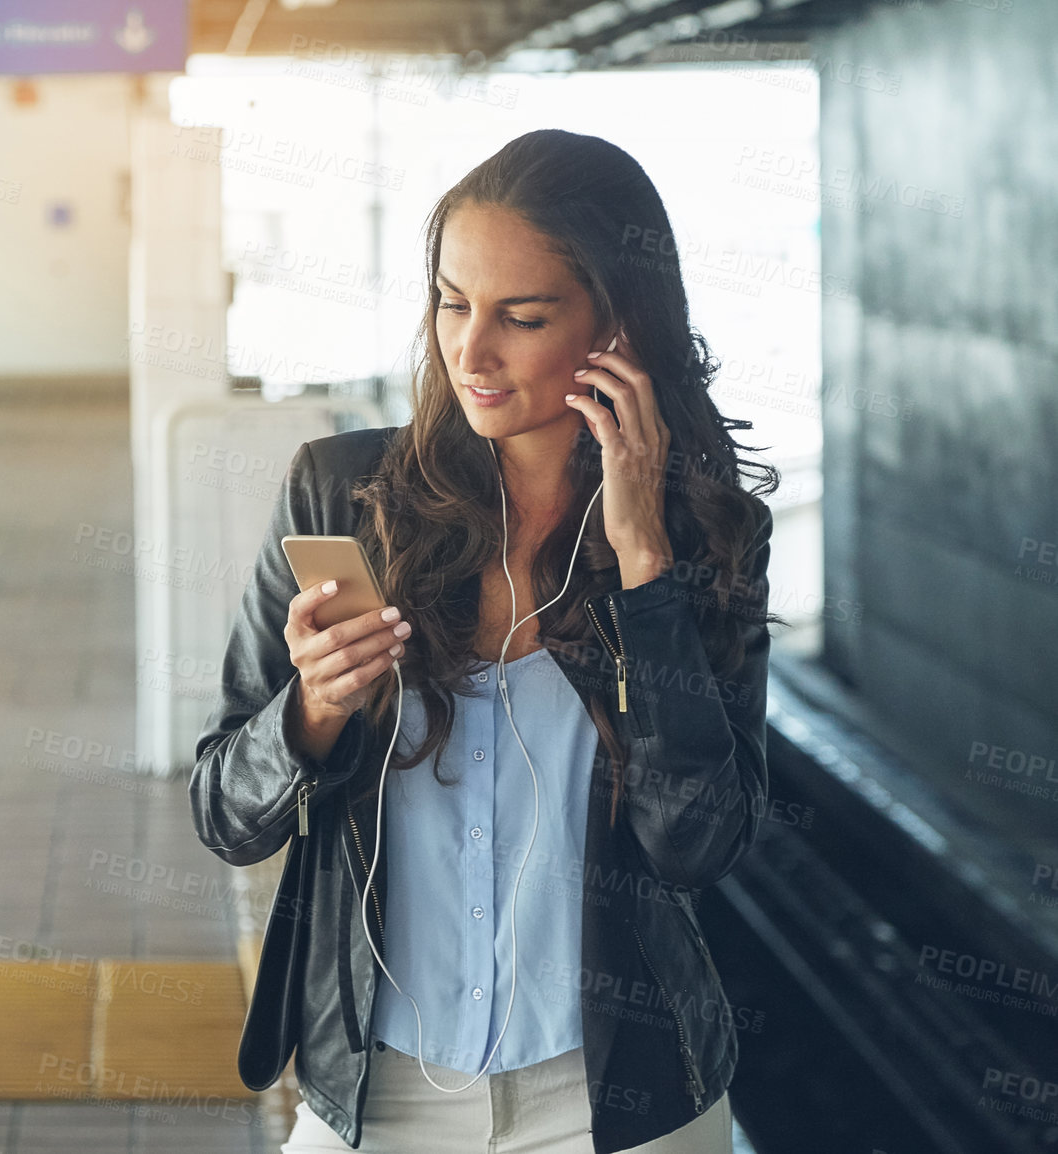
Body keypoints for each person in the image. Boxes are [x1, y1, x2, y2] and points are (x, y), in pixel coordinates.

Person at [189, 128, 786, 1154]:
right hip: (379, 1096)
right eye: (451, 301)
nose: (470, 351)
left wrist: (643, 569)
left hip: (622, 1105)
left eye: (522, 315)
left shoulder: (700, 533)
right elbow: (223, 811)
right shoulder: (343, 494)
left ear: (618, 324)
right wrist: (314, 709)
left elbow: (697, 844)